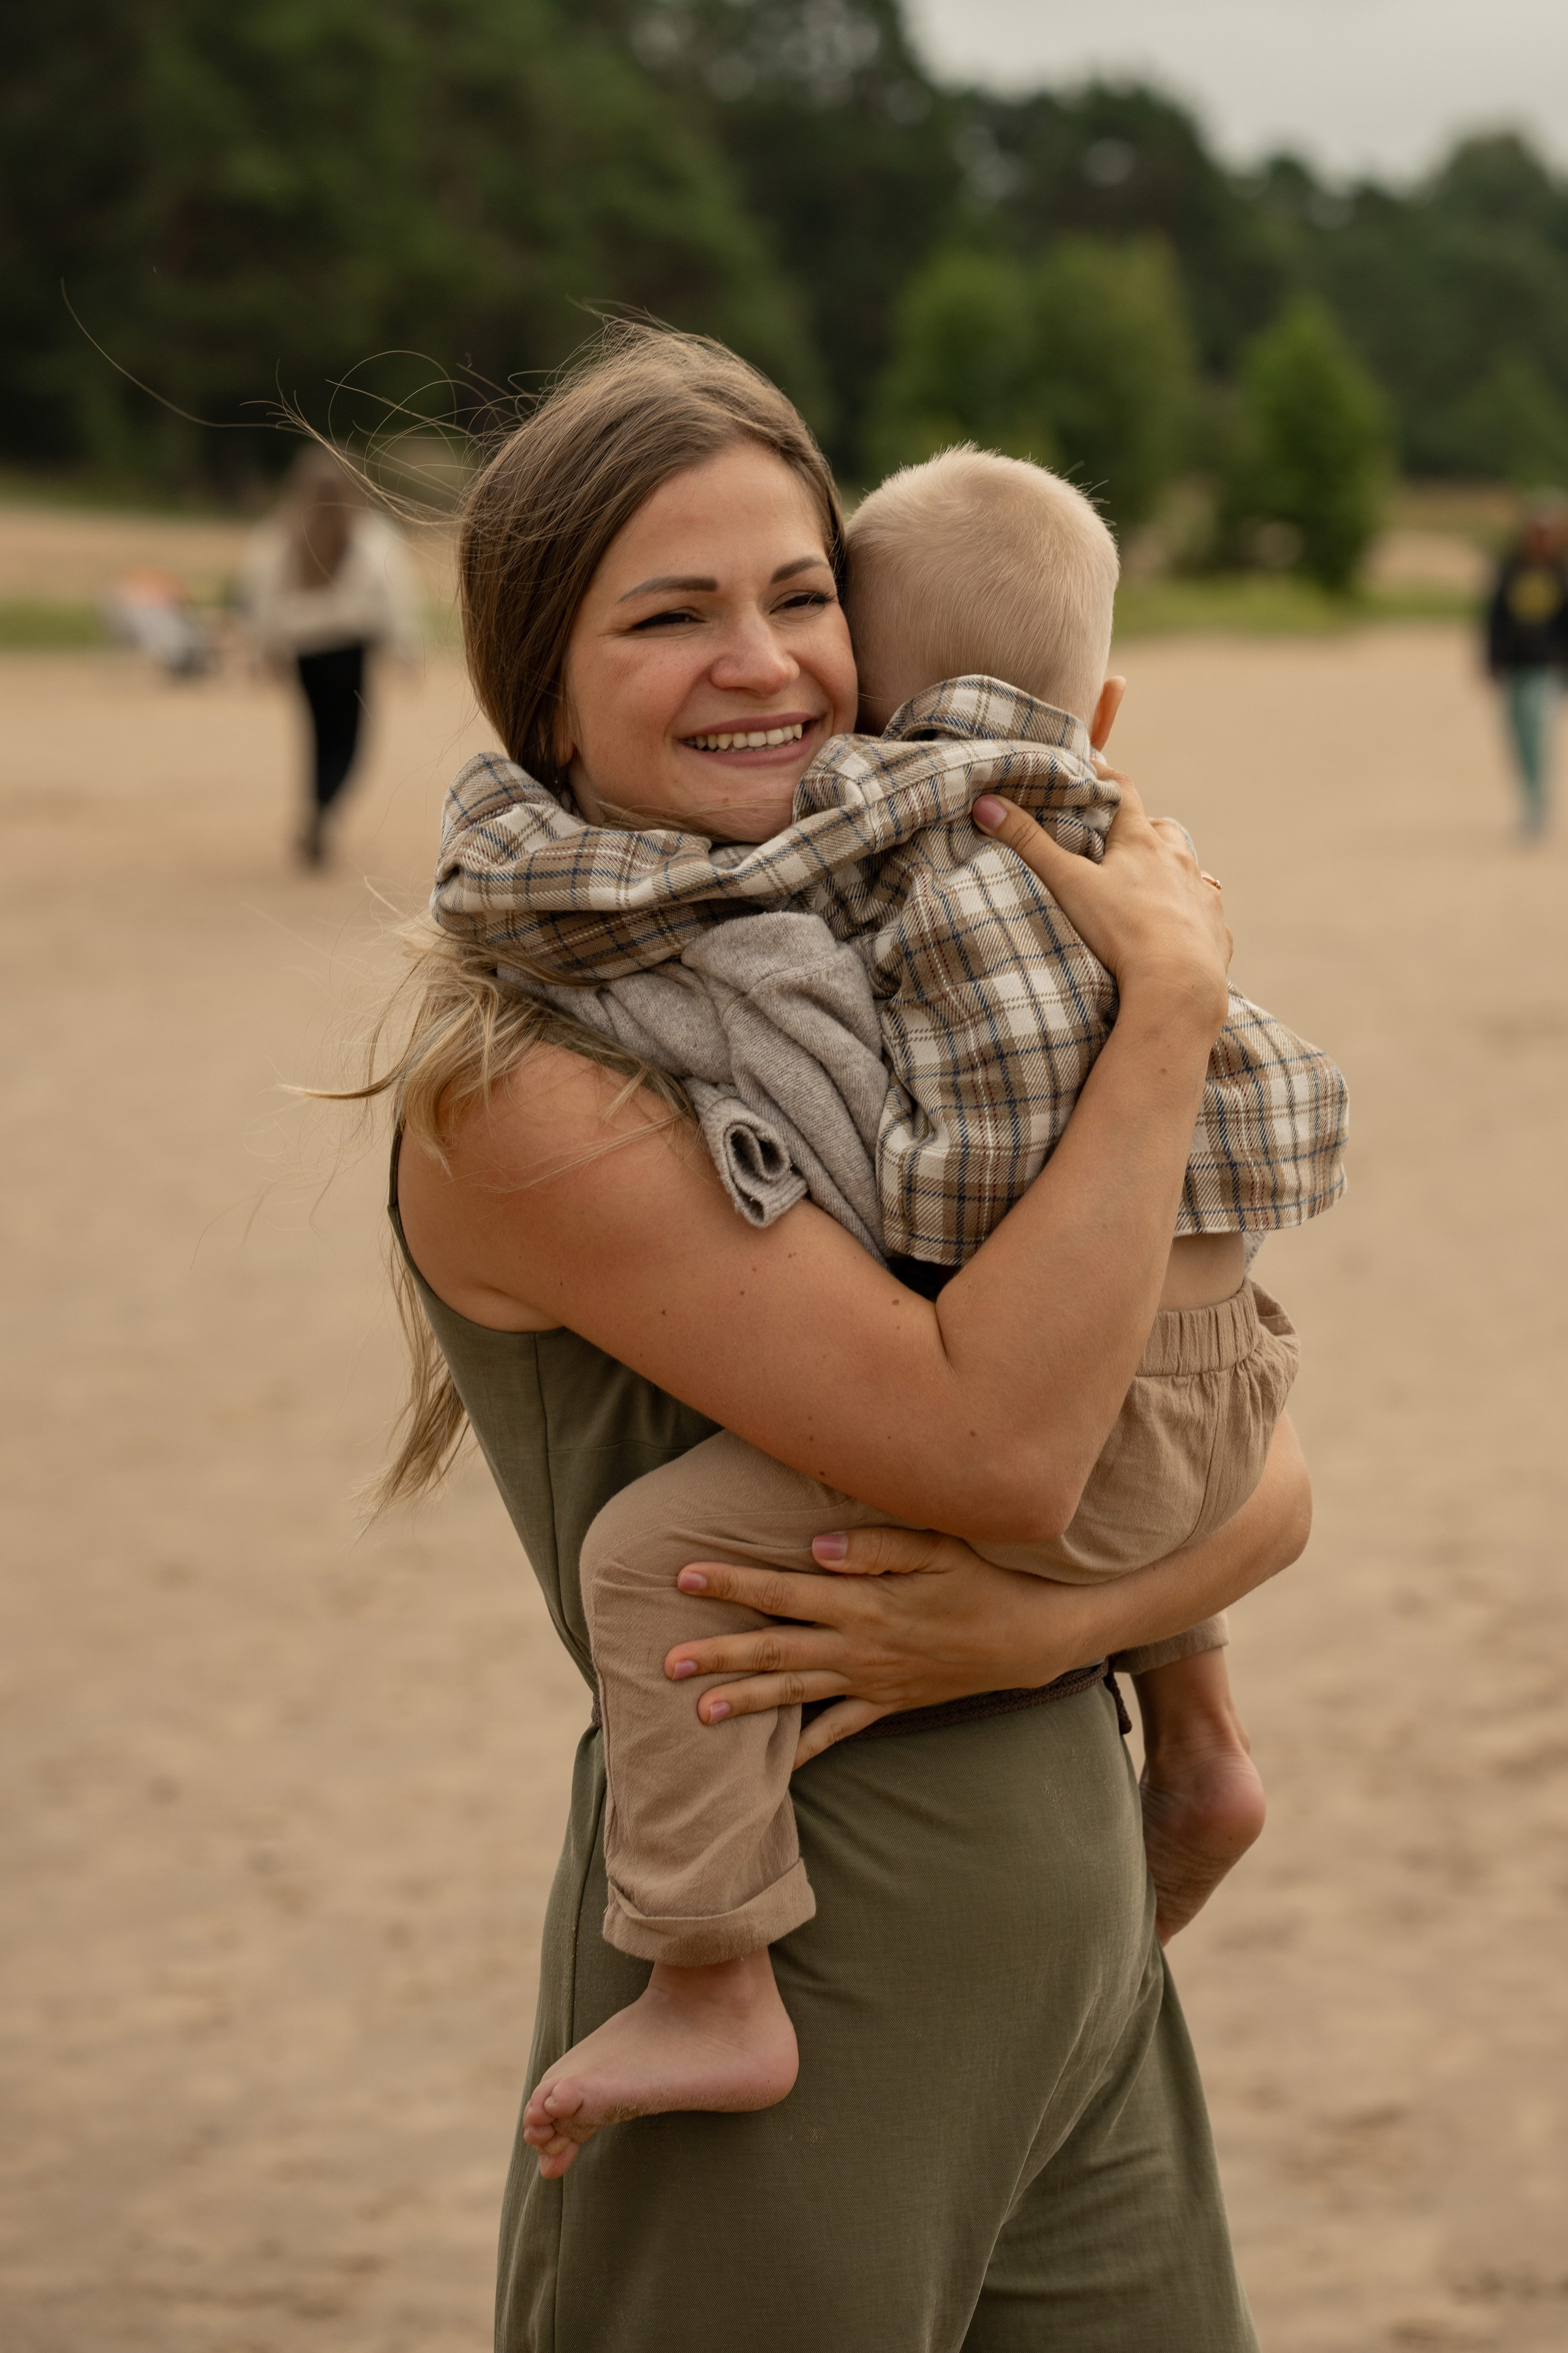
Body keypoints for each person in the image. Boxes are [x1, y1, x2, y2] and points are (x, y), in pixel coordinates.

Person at [368, 328, 1311, 2352]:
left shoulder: (889, 961)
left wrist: (1048, 1637)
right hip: (808, 1975)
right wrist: (1163, 1015)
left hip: (1081, 1946)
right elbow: (1003, 1463)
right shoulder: (537, 1081)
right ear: (539, 681)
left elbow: (1268, 1474)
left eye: (802, 597)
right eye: (671, 615)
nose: (766, 661)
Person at [243, 445, 420, 866]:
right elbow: (396, 599)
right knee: (350, 744)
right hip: (349, 652)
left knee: (317, 736)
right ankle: (325, 808)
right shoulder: (374, 537)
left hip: (307, 655)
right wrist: (407, 650)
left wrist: (265, 647)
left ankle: (316, 809)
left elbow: (261, 596)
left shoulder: (279, 535)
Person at [1485, 493, 1568, 839]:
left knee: (1535, 723)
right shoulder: (1511, 569)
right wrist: (1491, 658)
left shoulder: (1562, 573)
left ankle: (1537, 806)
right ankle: (1529, 796)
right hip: (1515, 664)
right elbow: (1495, 617)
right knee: (1517, 734)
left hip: (1547, 666)